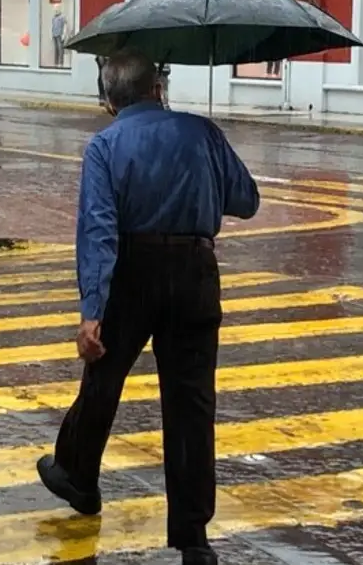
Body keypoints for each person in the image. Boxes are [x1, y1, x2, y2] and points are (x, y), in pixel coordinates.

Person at [35, 49, 260, 565]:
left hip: (132, 273)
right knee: (191, 404)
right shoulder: (202, 133)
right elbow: (246, 200)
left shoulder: (105, 146)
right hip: (196, 271)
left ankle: (78, 477)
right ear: (157, 88)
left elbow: (97, 230)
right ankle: (193, 537)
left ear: (111, 99)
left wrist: (92, 311)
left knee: (103, 377)